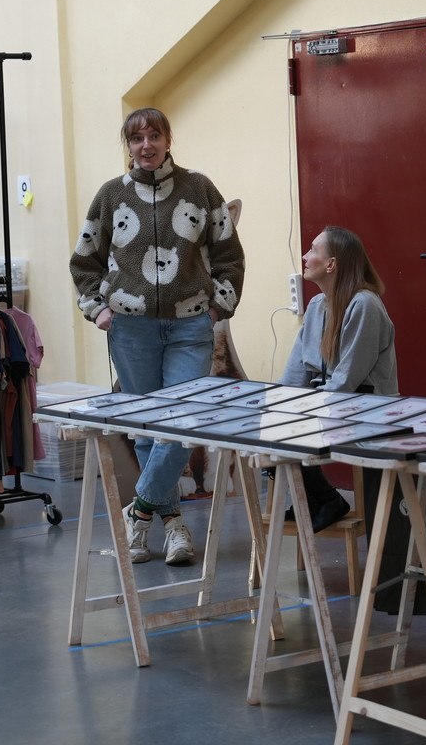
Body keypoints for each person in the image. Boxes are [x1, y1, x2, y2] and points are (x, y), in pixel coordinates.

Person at [69, 107, 245, 567]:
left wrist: (217, 306)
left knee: (181, 422)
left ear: (168, 139)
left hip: (190, 326)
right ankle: (174, 527)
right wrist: (98, 309)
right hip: (131, 330)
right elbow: (84, 261)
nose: (145, 145)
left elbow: (229, 254)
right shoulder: (110, 196)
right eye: (136, 138)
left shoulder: (199, 189)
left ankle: (139, 511)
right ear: (127, 146)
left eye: (154, 136)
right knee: (147, 429)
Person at [279, 225, 398, 531]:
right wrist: (278, 404)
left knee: (288, 432)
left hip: (365, 409)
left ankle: (324, 498)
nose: (305, 257)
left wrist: (306, 409)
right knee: (270, 428)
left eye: (313, 250)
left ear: (331, 264)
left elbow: (346, 380)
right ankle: (320, 498)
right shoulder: (316, 305)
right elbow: (296, 370)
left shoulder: (364, 305)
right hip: (332, 404)